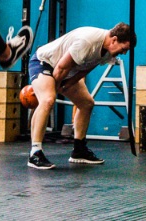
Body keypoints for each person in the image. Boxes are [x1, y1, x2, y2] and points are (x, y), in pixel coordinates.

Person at [24, 23, 136, 170]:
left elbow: (87, 68)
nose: (124, 53)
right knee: (48, 100)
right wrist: (54, 89)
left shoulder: (109, 50)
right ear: (114, 40)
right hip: (44, 63)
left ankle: (79, 150)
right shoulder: (88, 41)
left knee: (87, 103)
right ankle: (35, 153)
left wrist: (69, 84)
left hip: (66, 70)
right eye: (124, 49)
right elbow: (60, 68)